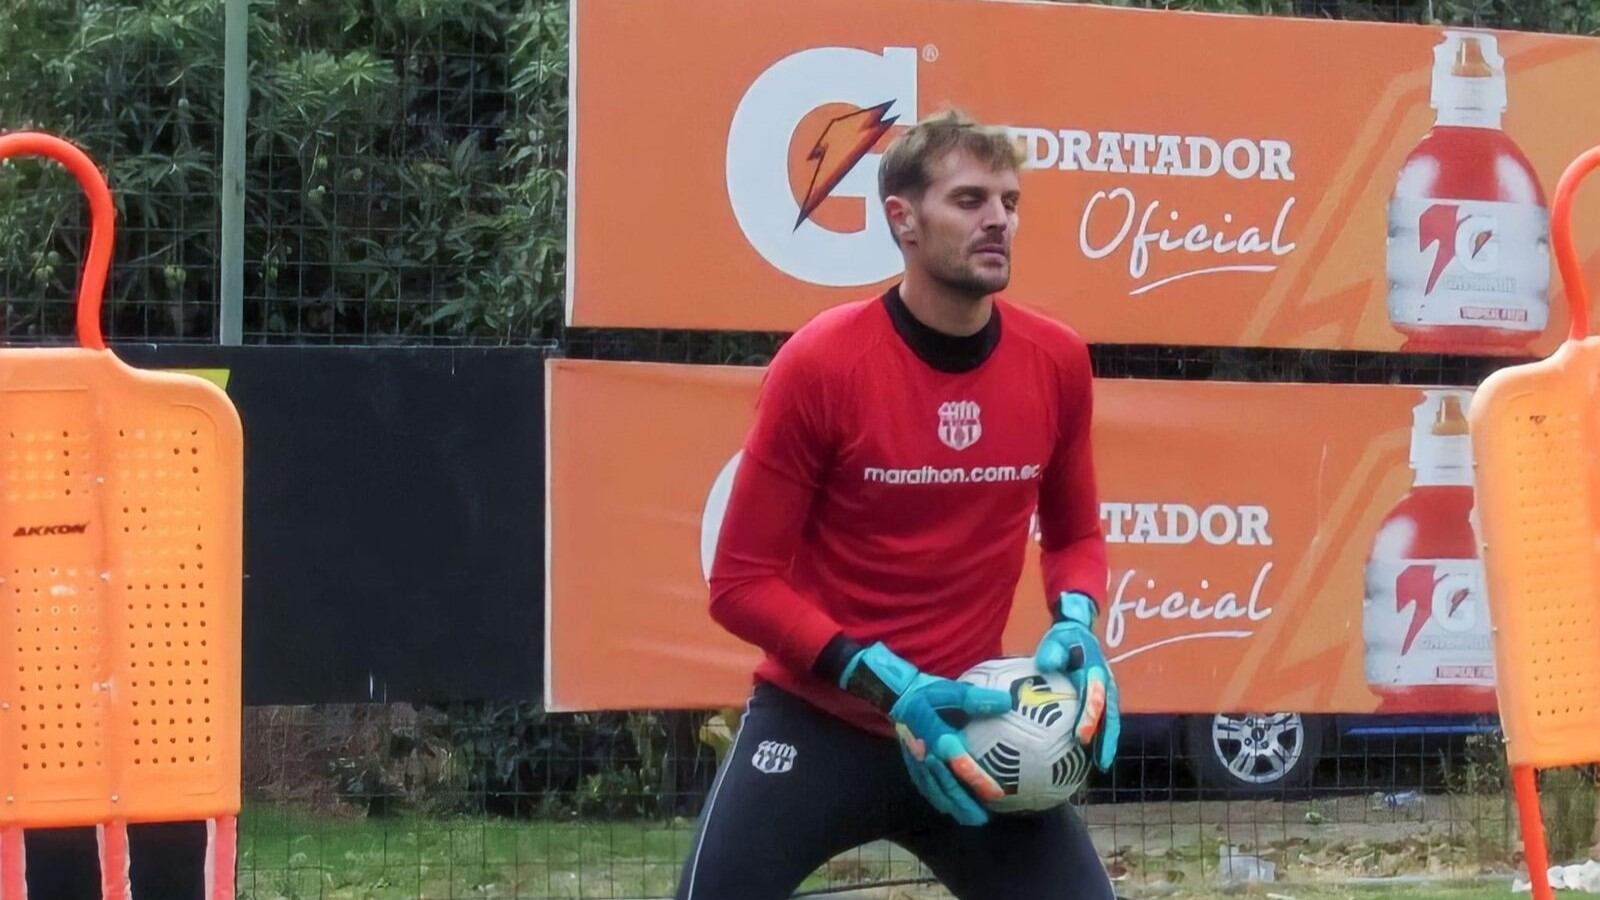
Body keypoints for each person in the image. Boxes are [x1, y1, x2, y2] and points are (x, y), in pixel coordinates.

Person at [677, 109, 1120, 900]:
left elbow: (1076, 533)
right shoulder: (822, 363)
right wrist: (883, 681)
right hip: (821, 722)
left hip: (974, 728)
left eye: (1010, 203)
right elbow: (738, 583)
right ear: (902, 219)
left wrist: (1079, 624)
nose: (998, 221)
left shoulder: (1056, 360)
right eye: (971, 200)